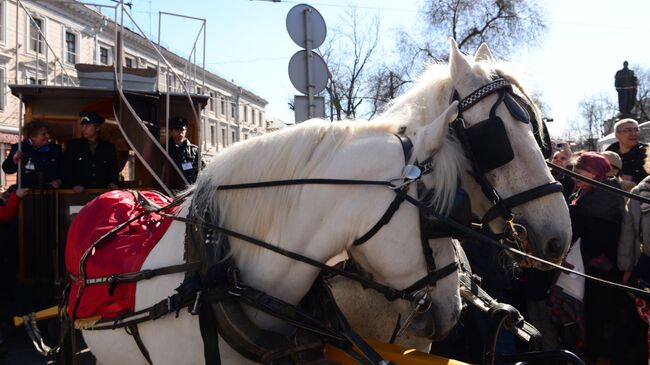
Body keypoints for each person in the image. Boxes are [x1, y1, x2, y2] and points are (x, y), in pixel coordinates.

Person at [570, 152, 627, 364]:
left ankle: (603, 357)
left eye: (582, 170)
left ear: (596, 172)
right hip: (586, 264)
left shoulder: (606, 194)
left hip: (602, 267)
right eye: (576, 170)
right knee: (591, 313)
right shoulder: (584, 193)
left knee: (602, 314)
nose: (577, 175)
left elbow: (597, 230)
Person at [64, 112, 118, 192]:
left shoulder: (108, 147)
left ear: (97, 128)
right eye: (82, 126)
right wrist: (74, 184)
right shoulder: (74, 145)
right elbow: (67, 168)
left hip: (102, 192)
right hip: (79, 193)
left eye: (88, 126)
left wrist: (113, 182)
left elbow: (113, 169)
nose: (83, 129)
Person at [1, 120, 62, 189]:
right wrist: (14, 161)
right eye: (43, 134)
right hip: (26, 193)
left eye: (48, 133)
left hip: (50, 193)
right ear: (33, 136)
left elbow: (63, 169)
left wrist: (59, 180)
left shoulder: (55, 149)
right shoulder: (20, 148)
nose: (48, 136)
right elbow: (7, 169)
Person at [606, 118, 648, 184]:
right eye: (628, 130)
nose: (634, 133)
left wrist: (631, 179)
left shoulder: (647, 152)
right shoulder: (608, 156)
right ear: (617, 135)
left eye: (636, 129)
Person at [165, 116, 202, 184]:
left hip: (189, 188)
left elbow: (202, 169)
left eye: (182, 129)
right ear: (171, 131)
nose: (180, 132)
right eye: (177, 129)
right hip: (170, 188)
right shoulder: (164, 149)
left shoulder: (194, 150)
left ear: (186, 131)